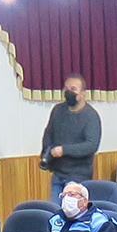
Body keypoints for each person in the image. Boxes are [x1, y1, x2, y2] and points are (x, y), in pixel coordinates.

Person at [39, 72, 101, 204]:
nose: (69, 92)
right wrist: (47, 152)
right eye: (66, 88)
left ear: (83, 93)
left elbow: (91, 145)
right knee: (55, 210)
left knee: (73, 210)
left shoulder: (91, 116)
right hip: (57, 174)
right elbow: (49, 133)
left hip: (79, 177)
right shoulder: (57, 110)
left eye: (73, 89)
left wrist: (64, 150)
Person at [48, 181, 117, 232]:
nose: (66, 198)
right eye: (63, 195)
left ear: (84, 201)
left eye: (72, 194)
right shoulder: (55, 219)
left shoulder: (100, 222)